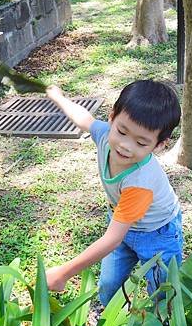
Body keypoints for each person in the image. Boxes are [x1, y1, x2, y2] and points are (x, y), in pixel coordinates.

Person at [44, 80, 184, 305]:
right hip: (122, 224)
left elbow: (112, 238)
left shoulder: (140, 181)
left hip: (158, 234)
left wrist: (64, 273)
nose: (125, 146)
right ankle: (110, 321)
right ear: (112, 118)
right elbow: (85, 120)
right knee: (109, 283)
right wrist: (58, 97)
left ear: (159, 146)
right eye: (122, 131)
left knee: (162, 291)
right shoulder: (106, 137)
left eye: (141, 142)